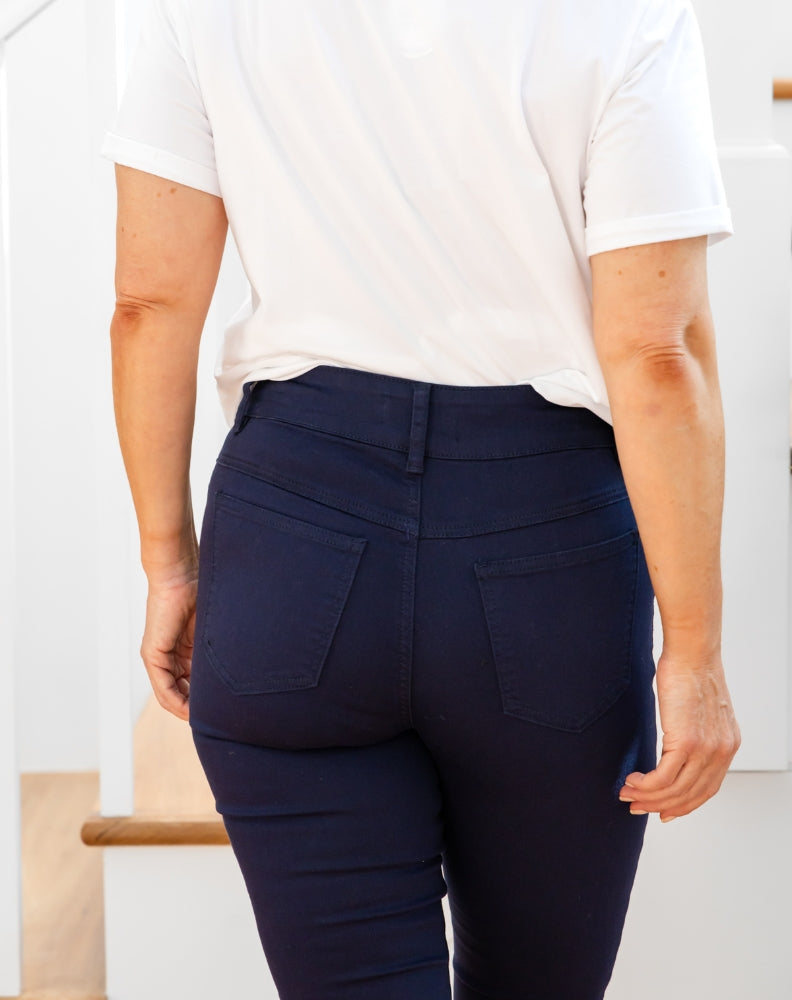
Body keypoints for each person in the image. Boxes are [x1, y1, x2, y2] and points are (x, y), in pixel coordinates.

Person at [103, 0, 741, 996]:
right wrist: (693, 653)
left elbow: (149, 305)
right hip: (545, 550)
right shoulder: (629, 16)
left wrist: (168, 563)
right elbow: (657, 353)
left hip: (293, 537)